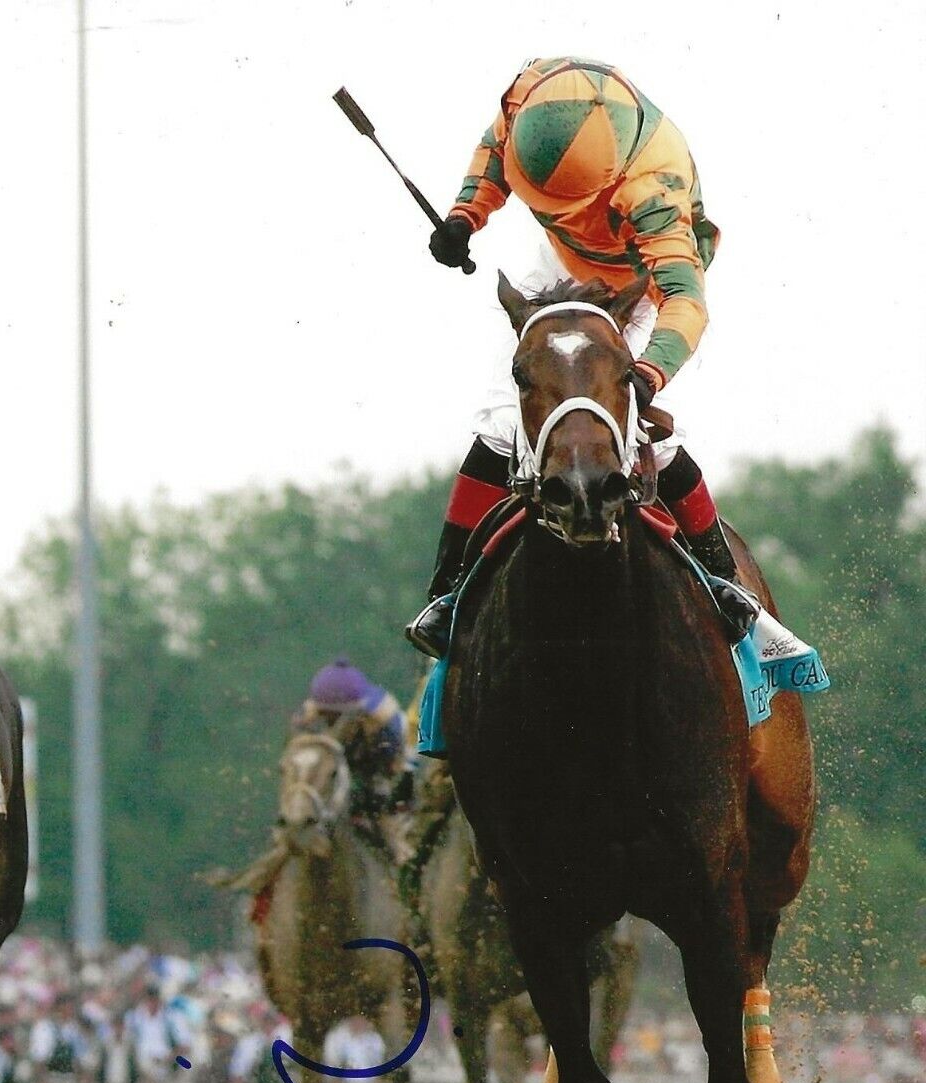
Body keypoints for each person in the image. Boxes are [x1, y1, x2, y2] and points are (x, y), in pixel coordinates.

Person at [407, 56, 755, 658]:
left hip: (638, 280)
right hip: (564, 259)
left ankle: (721, 579)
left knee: (642, 430)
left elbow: (685, 300)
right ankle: (449, 593)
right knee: (500, 420)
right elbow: (494, 150)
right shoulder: (531, 98)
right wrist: (466, 215)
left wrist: (649, 371)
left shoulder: (654, 191)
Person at [294, 660, 413, 839]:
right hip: (356, 761)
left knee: (389, 818)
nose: (330, 721)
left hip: (394, 767)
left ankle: (403, 854)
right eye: (325, 714)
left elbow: (391, 772)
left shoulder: (384, 725)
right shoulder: (309, 714)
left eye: (335, 716)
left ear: (355, 714)